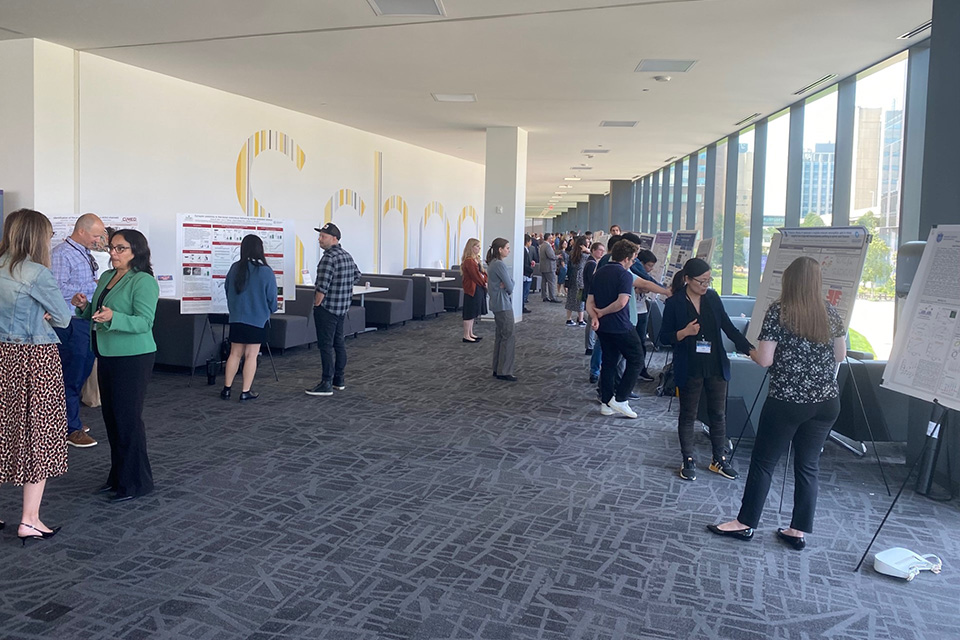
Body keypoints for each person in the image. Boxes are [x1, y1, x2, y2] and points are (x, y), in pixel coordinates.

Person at [709, 257, 847, 549]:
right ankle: (798, 531)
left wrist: (747, 349)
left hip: (788, 400)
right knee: (808, 465)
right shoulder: (830, 311)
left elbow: (765, 360)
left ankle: (745, 523)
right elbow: (839, 355)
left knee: (764, 463)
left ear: (789, 281)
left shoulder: (779, 312)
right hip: (826, 402)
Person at [0, 209, 73, 543]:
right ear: (37, 237)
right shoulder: (36, 273)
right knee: (37, 434)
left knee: (4, 429)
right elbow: (63, 318)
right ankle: (29, 520)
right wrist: (42, 313)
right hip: (33, 359)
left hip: (2, 356)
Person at [72, 229, 159, 502]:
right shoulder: (108, 277)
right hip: (107, 353)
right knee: (112, 420)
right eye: (111, 247)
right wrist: (85, 307)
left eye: (120, 248)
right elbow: (99, 312)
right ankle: (118, 477)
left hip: (133, 358)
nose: (113, 253)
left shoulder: (143, 281)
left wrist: (114, 318)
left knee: (127, 420)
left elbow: (144, 322)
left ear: (136, 251)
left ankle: (137, 483)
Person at [659, 258, 754, 482]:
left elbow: (728, 328)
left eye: (708, 281)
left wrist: (750, 350)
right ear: (687, 280)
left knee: (718, 414)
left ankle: (719, 459)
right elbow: (664, 338)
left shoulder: (712, 298)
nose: (705, 285)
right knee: (688, 414)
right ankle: (688, 459)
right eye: (701, 281)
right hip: (689, 365)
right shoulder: (674, 303)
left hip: (715, 364)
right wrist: (684, 333)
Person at [51, 213, 106, 448]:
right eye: (96, 235)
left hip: (85, 320)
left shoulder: (84, 252)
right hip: (70, 323)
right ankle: (70, 428)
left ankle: (68, 419)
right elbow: (57, 288)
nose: (99, 240)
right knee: (71, 377)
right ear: (81, 231)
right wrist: (92, 288)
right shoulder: (62, 254)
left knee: (80, 373)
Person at [586, 239, 646, 419]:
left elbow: (589, 302)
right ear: (627, 258)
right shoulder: (625, 275)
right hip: (621, 325)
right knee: (637, 359)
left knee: (609, 362)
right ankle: (621, 398)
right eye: (634, 258)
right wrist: (602, 313)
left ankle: (606, 402)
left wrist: (596, 316)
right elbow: (622, 302)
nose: (634, 262)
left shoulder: (599, 272)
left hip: (603, 328)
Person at [306, 223, 361, 396]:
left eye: (323, 236)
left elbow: (321, 287)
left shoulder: (328, 258)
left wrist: (316, 304)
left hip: (327, 309)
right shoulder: (347, 256)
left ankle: (326, 383)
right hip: (342, 308)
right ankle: (339, 379)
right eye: (320, 236)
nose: (319, 239)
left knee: (325, 346)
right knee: (339, 343)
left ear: (335, 238)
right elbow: (357, 276)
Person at [221, 234, 278, 401]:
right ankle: (245, 391)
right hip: (257, 320)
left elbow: (227, 290)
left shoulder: (235, 268)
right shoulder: (265, 272)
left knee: (234, 354)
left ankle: (226, 389)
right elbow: (272, 298)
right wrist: (272, 309)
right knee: (251, 355)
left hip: (237, 318)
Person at [486, 238, 517, 382]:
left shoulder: (493, 263)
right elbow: (510, 286)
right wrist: (509, 283)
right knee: (508, 337)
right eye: (507, 248)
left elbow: (508, 283)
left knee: (501, 336)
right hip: (503, 304)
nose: (509, 250)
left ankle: (497, 367)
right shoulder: (499, 265)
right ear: (500, 249)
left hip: (497, 303)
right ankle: (504, 370)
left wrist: (508, 283)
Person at [634, 249, 663, 383]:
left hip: (643, 310)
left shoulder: (644, 277)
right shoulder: (633, 273)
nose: (650, 269)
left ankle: (641, 369)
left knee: (641, 343)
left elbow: (648, 287)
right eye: (649, 265)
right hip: (633, 312)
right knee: (633, 344)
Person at [460, 237, 487, 343]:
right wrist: (484, 283)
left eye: (479, 247)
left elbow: (483, 273)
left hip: (478, 288)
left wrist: (485, 280)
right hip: (472, 289)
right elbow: (475, 276)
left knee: (474, 312)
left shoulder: (476, 259)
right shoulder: (469, 261)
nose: (478, 249)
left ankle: (471, 333)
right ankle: (466, 335)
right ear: (471, 247)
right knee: (469, 312)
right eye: (477, 246)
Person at [582, 241, 605, 363]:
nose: (602, 252)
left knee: (591, 321)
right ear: (593, 250)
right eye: (600, 250)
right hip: (591, 296)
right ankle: (589, 346)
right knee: (591, 321)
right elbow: (593, 281)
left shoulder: (592, 262)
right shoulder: (591, 264)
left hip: (590, 294)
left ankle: (589, 345)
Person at [565, 236, 589, 326]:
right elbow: (595, 256)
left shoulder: (572, 253)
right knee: (580, 300)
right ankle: (581, 320)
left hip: (572, 278)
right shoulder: (584, 256)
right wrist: (587, 250)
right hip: (581, 279)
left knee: (570, 298)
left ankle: (569, 319)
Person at [539, 233, 559, 302]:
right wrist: (557, 257)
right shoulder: (547, 246)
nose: (552, 239)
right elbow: (551, 256)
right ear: (548, 238)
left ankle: (544, 296)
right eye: (551, 238)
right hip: (549, 267)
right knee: (551, 282)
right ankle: (552, 297)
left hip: (543, 267)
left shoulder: (542, 245)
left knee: (543, 283)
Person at [521, 234, 534, 313]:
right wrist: (531, 270)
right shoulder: (524, 251)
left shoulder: (526, 250)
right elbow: (525, 264)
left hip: (526, 273)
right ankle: (521, 306)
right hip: (526, 274)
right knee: (524, 292)